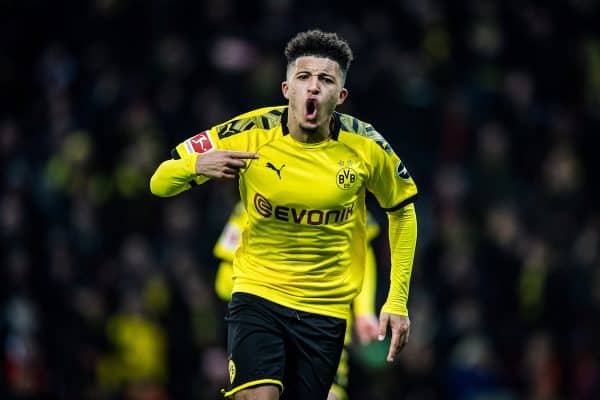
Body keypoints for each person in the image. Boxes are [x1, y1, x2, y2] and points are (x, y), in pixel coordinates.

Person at [150, 29, 418, 400]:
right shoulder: (248, 132)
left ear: (340, 96)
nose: (313, 88)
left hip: (324, 311)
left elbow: (402, 212)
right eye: (303, 77)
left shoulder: (367, 146)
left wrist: (396, 300)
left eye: (325, 80)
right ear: (285, 89)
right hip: (259, 296)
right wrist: (197, 164)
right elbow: (159, 181)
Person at [213, 201, 382, 400]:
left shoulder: (344, 192)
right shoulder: (257, 195)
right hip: (278, 327)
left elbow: (360, 248)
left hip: (321, 325)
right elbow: (224, 280)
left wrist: (364, 310)